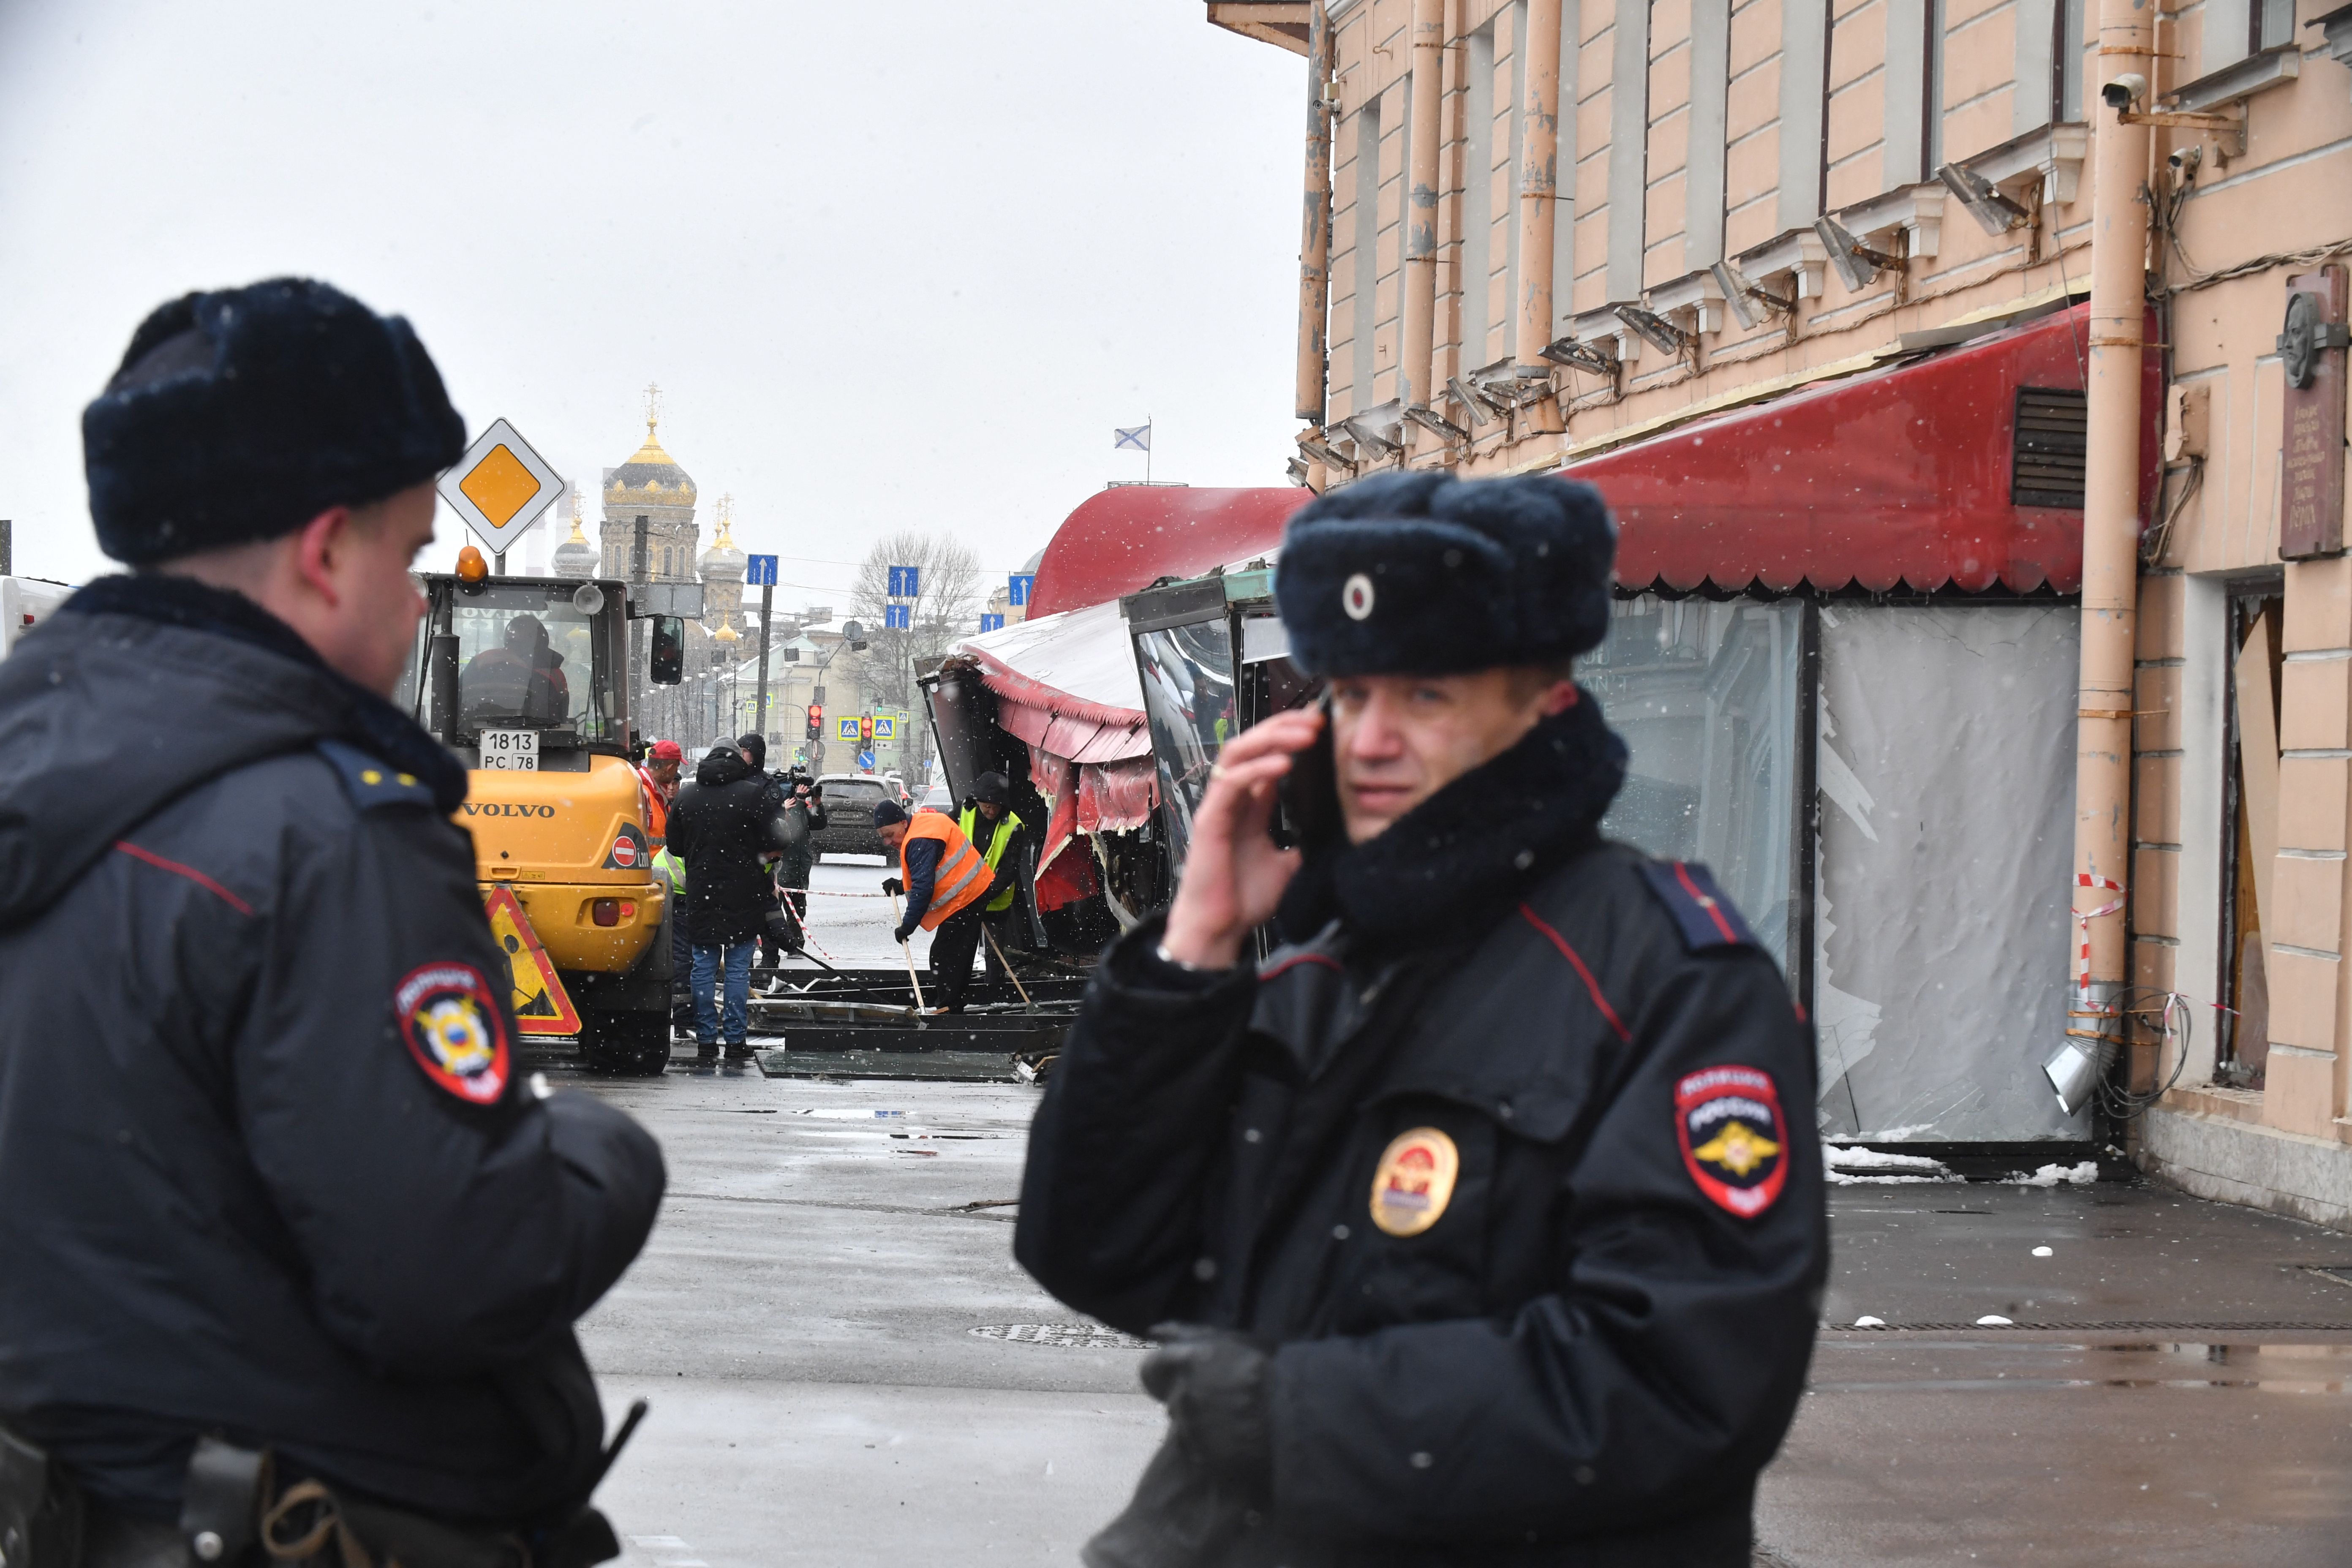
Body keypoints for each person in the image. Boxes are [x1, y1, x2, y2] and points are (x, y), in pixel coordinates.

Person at [1014, 472, 1827, 1568]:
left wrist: (1295, 1415)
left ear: (1543, 702)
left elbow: (1687, 1376)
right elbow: (1098, 1254)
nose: (1375, 740)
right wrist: (1191, 945)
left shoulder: (1668, 978)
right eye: (1351, 698)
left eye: (1428, 697)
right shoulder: (1320, 968)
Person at [0, 277, 665, 1568]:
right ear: (323, 553)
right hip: (309, 1520)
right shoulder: (326, 836)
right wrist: (598, 1153)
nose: (420, 604)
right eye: (410, 555)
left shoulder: (41, 773)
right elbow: (455, 1270)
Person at [667, 742, 775, 1060]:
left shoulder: (687, 795)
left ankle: (705, 1041)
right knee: (739, 969)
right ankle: (736, 1042)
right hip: (744, 893)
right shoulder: (752, 794)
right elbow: (774, 841)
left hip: (702, 892)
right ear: (737, 760)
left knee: (703, 966)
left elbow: (674, 847)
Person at [873, 799, 995, 1013]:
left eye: (890, 834)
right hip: (972, 891)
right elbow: (932, 873)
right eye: (883, 837)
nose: (887, 842)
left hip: (967, 896)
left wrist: (907, 926)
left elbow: (923, 889)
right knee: (956, 954)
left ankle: (950, 1008)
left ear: (903, 822)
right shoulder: (922, 825)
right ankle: (952, 1004)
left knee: (944, 955)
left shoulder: (919, 840)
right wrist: (901, 886)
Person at [956, 771, 1028, 991]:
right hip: (965, 896)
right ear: (977, 801)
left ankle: (993, 993)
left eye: (996, 807)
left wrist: (986, 894)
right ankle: (960, 991)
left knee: (994, 952)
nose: (992, 811)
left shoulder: (1014, 826)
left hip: (995, 901)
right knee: (962, 948)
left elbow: (1010, 869)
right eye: (987, 806)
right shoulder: (963, 812)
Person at [771, 766, 827, 953]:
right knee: (775, 911)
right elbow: (792, 828)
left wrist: (817, 803)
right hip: (784, 868)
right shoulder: (786, 807)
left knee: (798, 911)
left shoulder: (801, 807)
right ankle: (771, 949)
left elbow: (819, 824)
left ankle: (795, 945)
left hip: (801, 868)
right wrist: (800, 802)